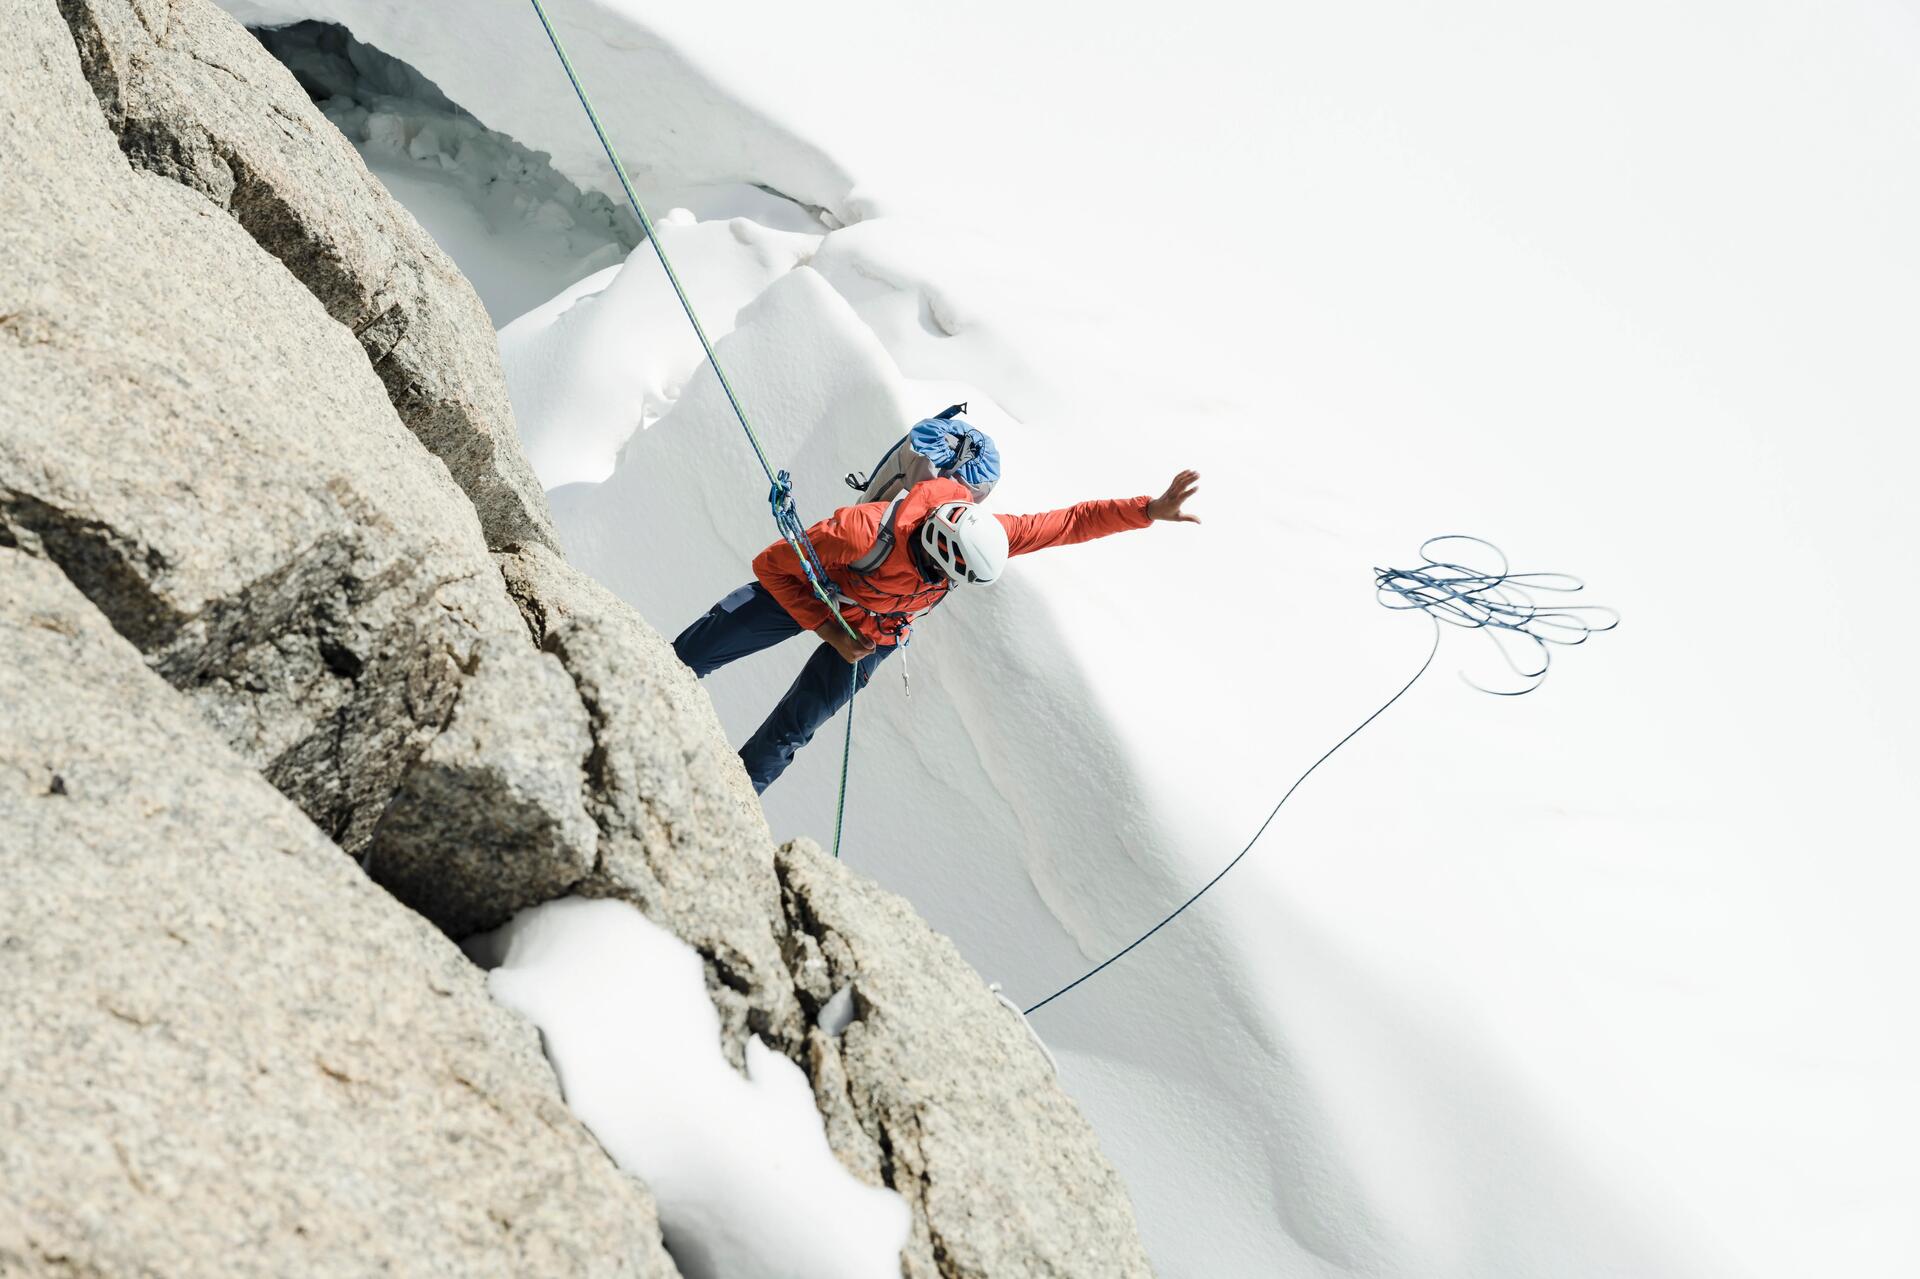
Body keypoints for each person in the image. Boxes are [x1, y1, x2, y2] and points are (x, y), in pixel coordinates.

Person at [674, 469, 1202, 792]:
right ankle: (644, 675)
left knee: (794, 729)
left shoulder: (985, 534)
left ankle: (728, 797)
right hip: (817, 594)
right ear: (941, 552)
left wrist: (1148, 511)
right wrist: (830, 632)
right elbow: (771, 565)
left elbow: (1066, 523)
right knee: (699, 652)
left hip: (876, 632)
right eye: (951, 576)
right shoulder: (859, 533)